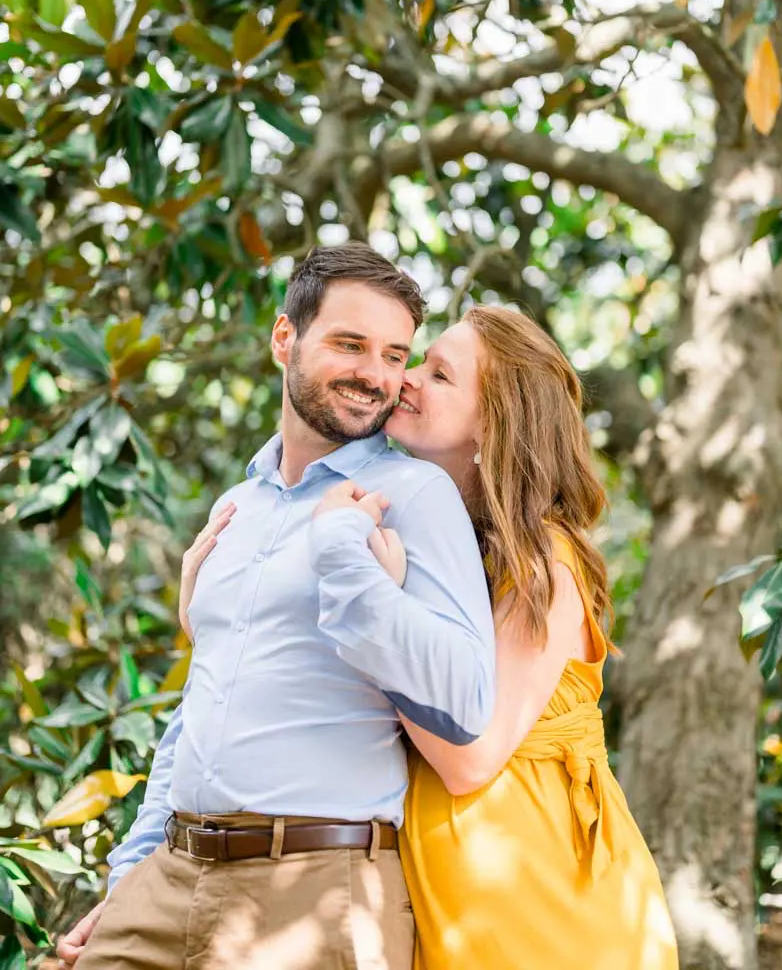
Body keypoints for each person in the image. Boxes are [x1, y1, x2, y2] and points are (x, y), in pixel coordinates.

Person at [179, 305, 678, 968]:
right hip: (429, 878)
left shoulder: (545, 564)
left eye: (439, 374)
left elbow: (470, 759)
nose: (405, 378)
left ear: (496, 422)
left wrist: (380, 605)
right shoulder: (426, 537)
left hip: (533, 884)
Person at [56, 243, 496, 970]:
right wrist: (130, 876)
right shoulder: (237, 505)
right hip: (168, 877)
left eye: (396, 354)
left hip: (317, 890)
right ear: (284, 337)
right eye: (350, 345)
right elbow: (205, 698)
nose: (376, 375)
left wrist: (347, 562)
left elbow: (465, 697)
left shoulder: (416, 497)